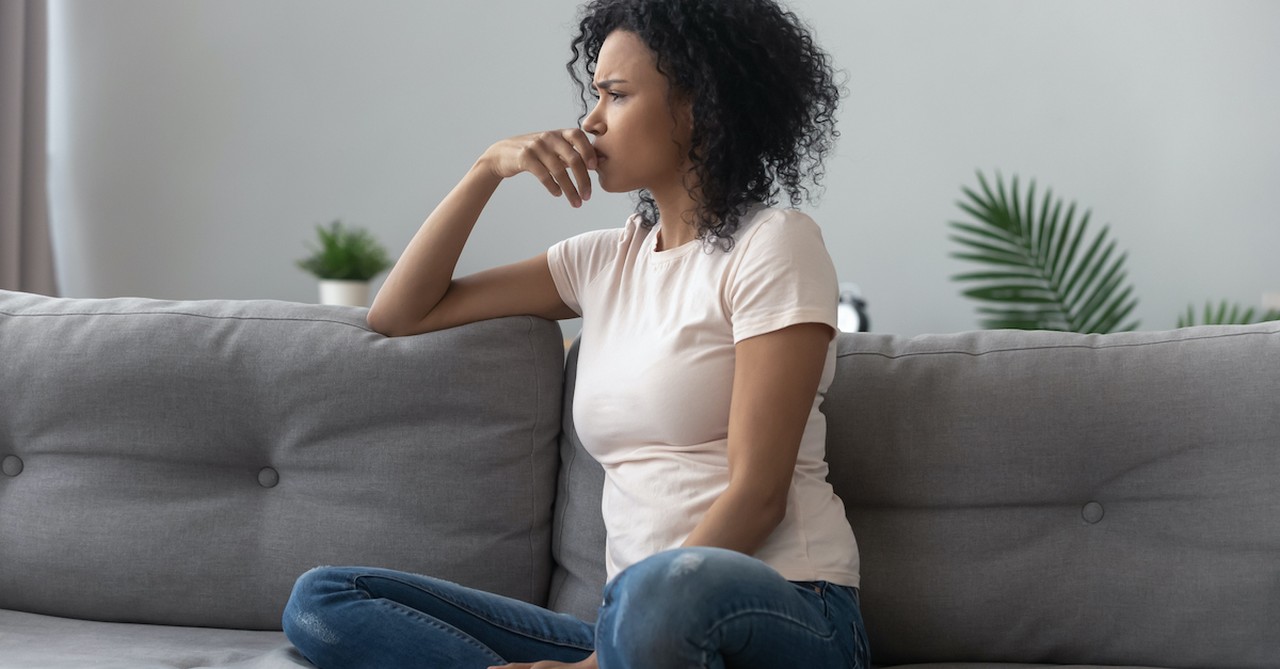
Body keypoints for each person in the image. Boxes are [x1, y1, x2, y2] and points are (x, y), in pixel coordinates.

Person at [282, 0, 869, 667]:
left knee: (655, 597)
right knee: (324, 598)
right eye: (595, 95)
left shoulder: (773, 245)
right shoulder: (600, 261)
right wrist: (487, 170)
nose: (589, 120)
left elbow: (759, 494)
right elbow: (402, 312)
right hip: (631, 632)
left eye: (616, 95)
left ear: (698, 108)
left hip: (787, 607)